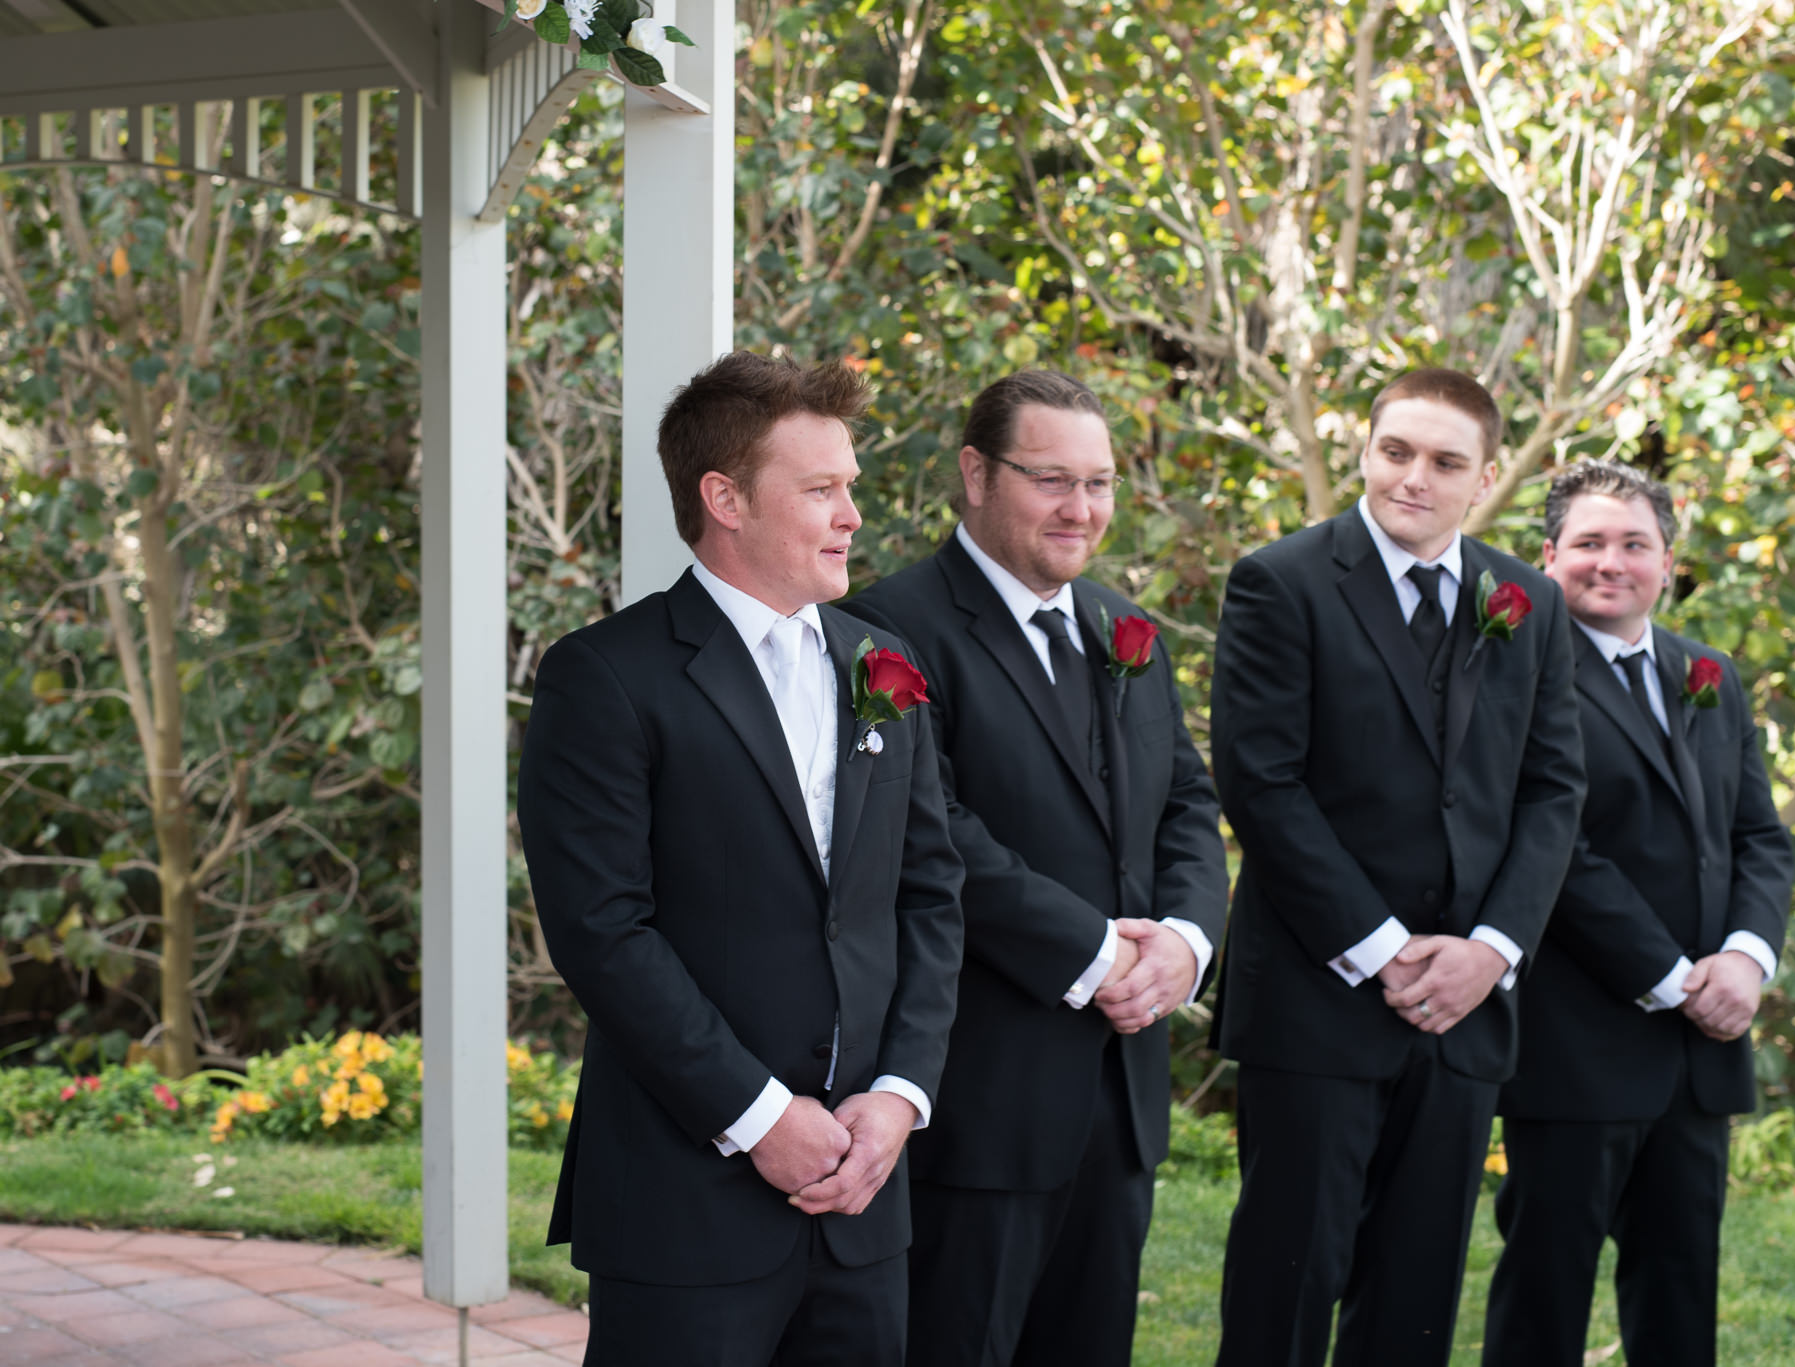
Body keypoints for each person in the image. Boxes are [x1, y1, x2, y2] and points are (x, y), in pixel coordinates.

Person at [517, 352, 965, 1366]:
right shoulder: (604, 677)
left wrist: (898, 1096)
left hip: (864, 1202)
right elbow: (601, 931)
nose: (851, 513)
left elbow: (930, 895)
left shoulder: (880, 667)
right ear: (724, 497)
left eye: (849, 486)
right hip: (686, 1202)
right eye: (820, 489)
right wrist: (760, 1117)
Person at [844, 369, 1228, 1367]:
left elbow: (1184, 799)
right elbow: (927, 833)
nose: (1082, 508)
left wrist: (1183, 944)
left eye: (1099, 483)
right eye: (1051, 478)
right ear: (974, 473)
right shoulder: (889, 626)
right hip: (981, 1093)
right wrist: (1095, 951)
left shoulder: (1118, 626)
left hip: (1120, 1095)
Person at [1208, 368, 1586, 1367]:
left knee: (1414, 1294)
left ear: (1486, 476)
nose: (1412, 477)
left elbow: (1552, 791)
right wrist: (1380, 950)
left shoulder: (1529, 602)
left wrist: (1489, 951)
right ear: (1364, 450)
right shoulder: (1279, 580)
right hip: (1315, 992)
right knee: (1285, 1280)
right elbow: (1260, 784)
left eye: (1443, 461)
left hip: (1463, 1007)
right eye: (1394, 451)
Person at [1480, 459, 1793, 1367]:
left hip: (1700, 1050)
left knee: (1681, 1284)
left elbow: (1758, 836)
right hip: (1577, 1037)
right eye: (1587, 543)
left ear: (1666, 560)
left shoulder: (1708, 672)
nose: (1609, 562)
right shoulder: (1519, 675)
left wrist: (1744, 959)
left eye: (1633, 544)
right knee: (1546, 1284)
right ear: (1548, 556)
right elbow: (1555, 847)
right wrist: (1667, 976)